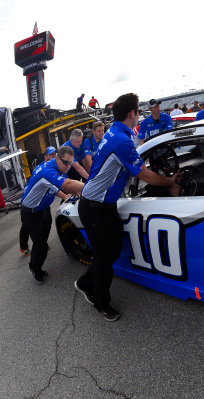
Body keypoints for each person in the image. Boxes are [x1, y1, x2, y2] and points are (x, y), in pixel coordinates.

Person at [75, 93, 181, 321]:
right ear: (131, 113)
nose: (140, 116)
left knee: (111, 250)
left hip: (103, 205)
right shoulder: (120, 140)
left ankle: (84, 282)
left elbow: (136, 154)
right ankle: (100, 301)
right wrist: (170, 182)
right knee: (105, 257)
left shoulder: (116, 131)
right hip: (95, 207)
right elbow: (144, 174)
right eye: (139, 112)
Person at [20, 146, 85, 283]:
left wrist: (70, 194)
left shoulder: (58, 167)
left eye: (70, 163)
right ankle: (34, 267)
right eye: (65, 162)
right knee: (41, 245)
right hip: (30, 212)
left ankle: (38, 248)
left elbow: (55, 188)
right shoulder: (47, 170)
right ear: (56, 158)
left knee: (46, 230)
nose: (68, 167)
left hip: (42, 208)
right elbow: (66, 184)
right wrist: (91, 186)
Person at [20, 145, 58, 256]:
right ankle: (24, 246)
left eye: (55, 154)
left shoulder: (54, 166)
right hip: (33, 202)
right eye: (51, 154)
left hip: (45, 202)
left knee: (48, 222)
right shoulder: (40, 168)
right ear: (45, 156)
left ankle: (42, 243)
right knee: (27, 225)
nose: (53, 156)